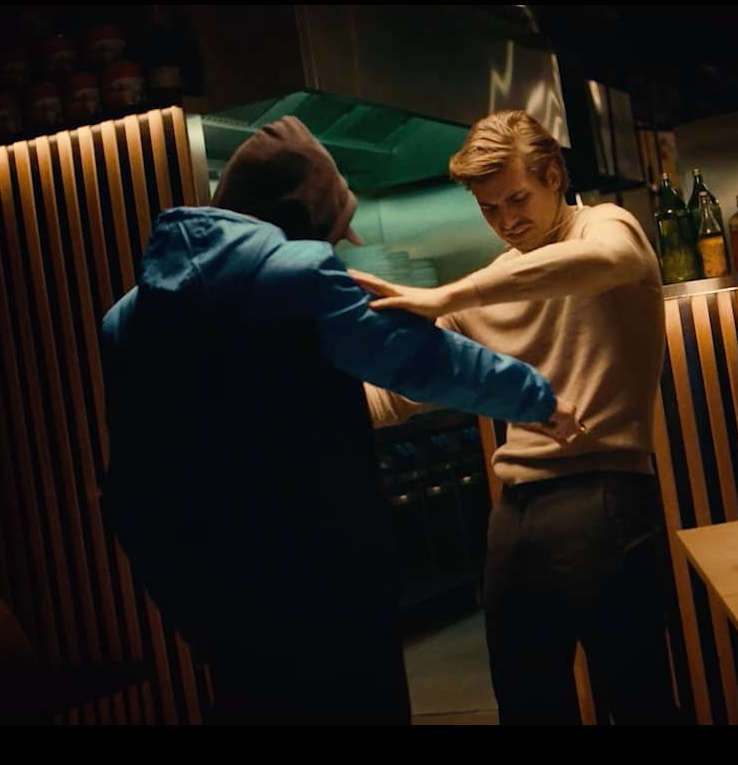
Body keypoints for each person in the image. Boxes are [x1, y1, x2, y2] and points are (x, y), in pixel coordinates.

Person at [99, 116, 580, 725]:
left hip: (210, 581)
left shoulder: (126, 319)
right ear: (302, 212)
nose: (344, 237)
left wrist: (180, 594)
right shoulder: (300, 275)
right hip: (322, 566)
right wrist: (536, 397)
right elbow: (419, 359)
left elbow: (131, 478)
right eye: (336, 223)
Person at [354, 109, 680, 725]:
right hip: (515, 513)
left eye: (517, 199)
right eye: (490, 209)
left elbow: (609, 261)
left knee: (636, 700)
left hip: (605, 497)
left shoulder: (604, 226)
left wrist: (451, 293)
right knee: (527, 701)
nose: (507, 222)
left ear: (553, 176)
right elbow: (396, 394)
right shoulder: (497, 277)